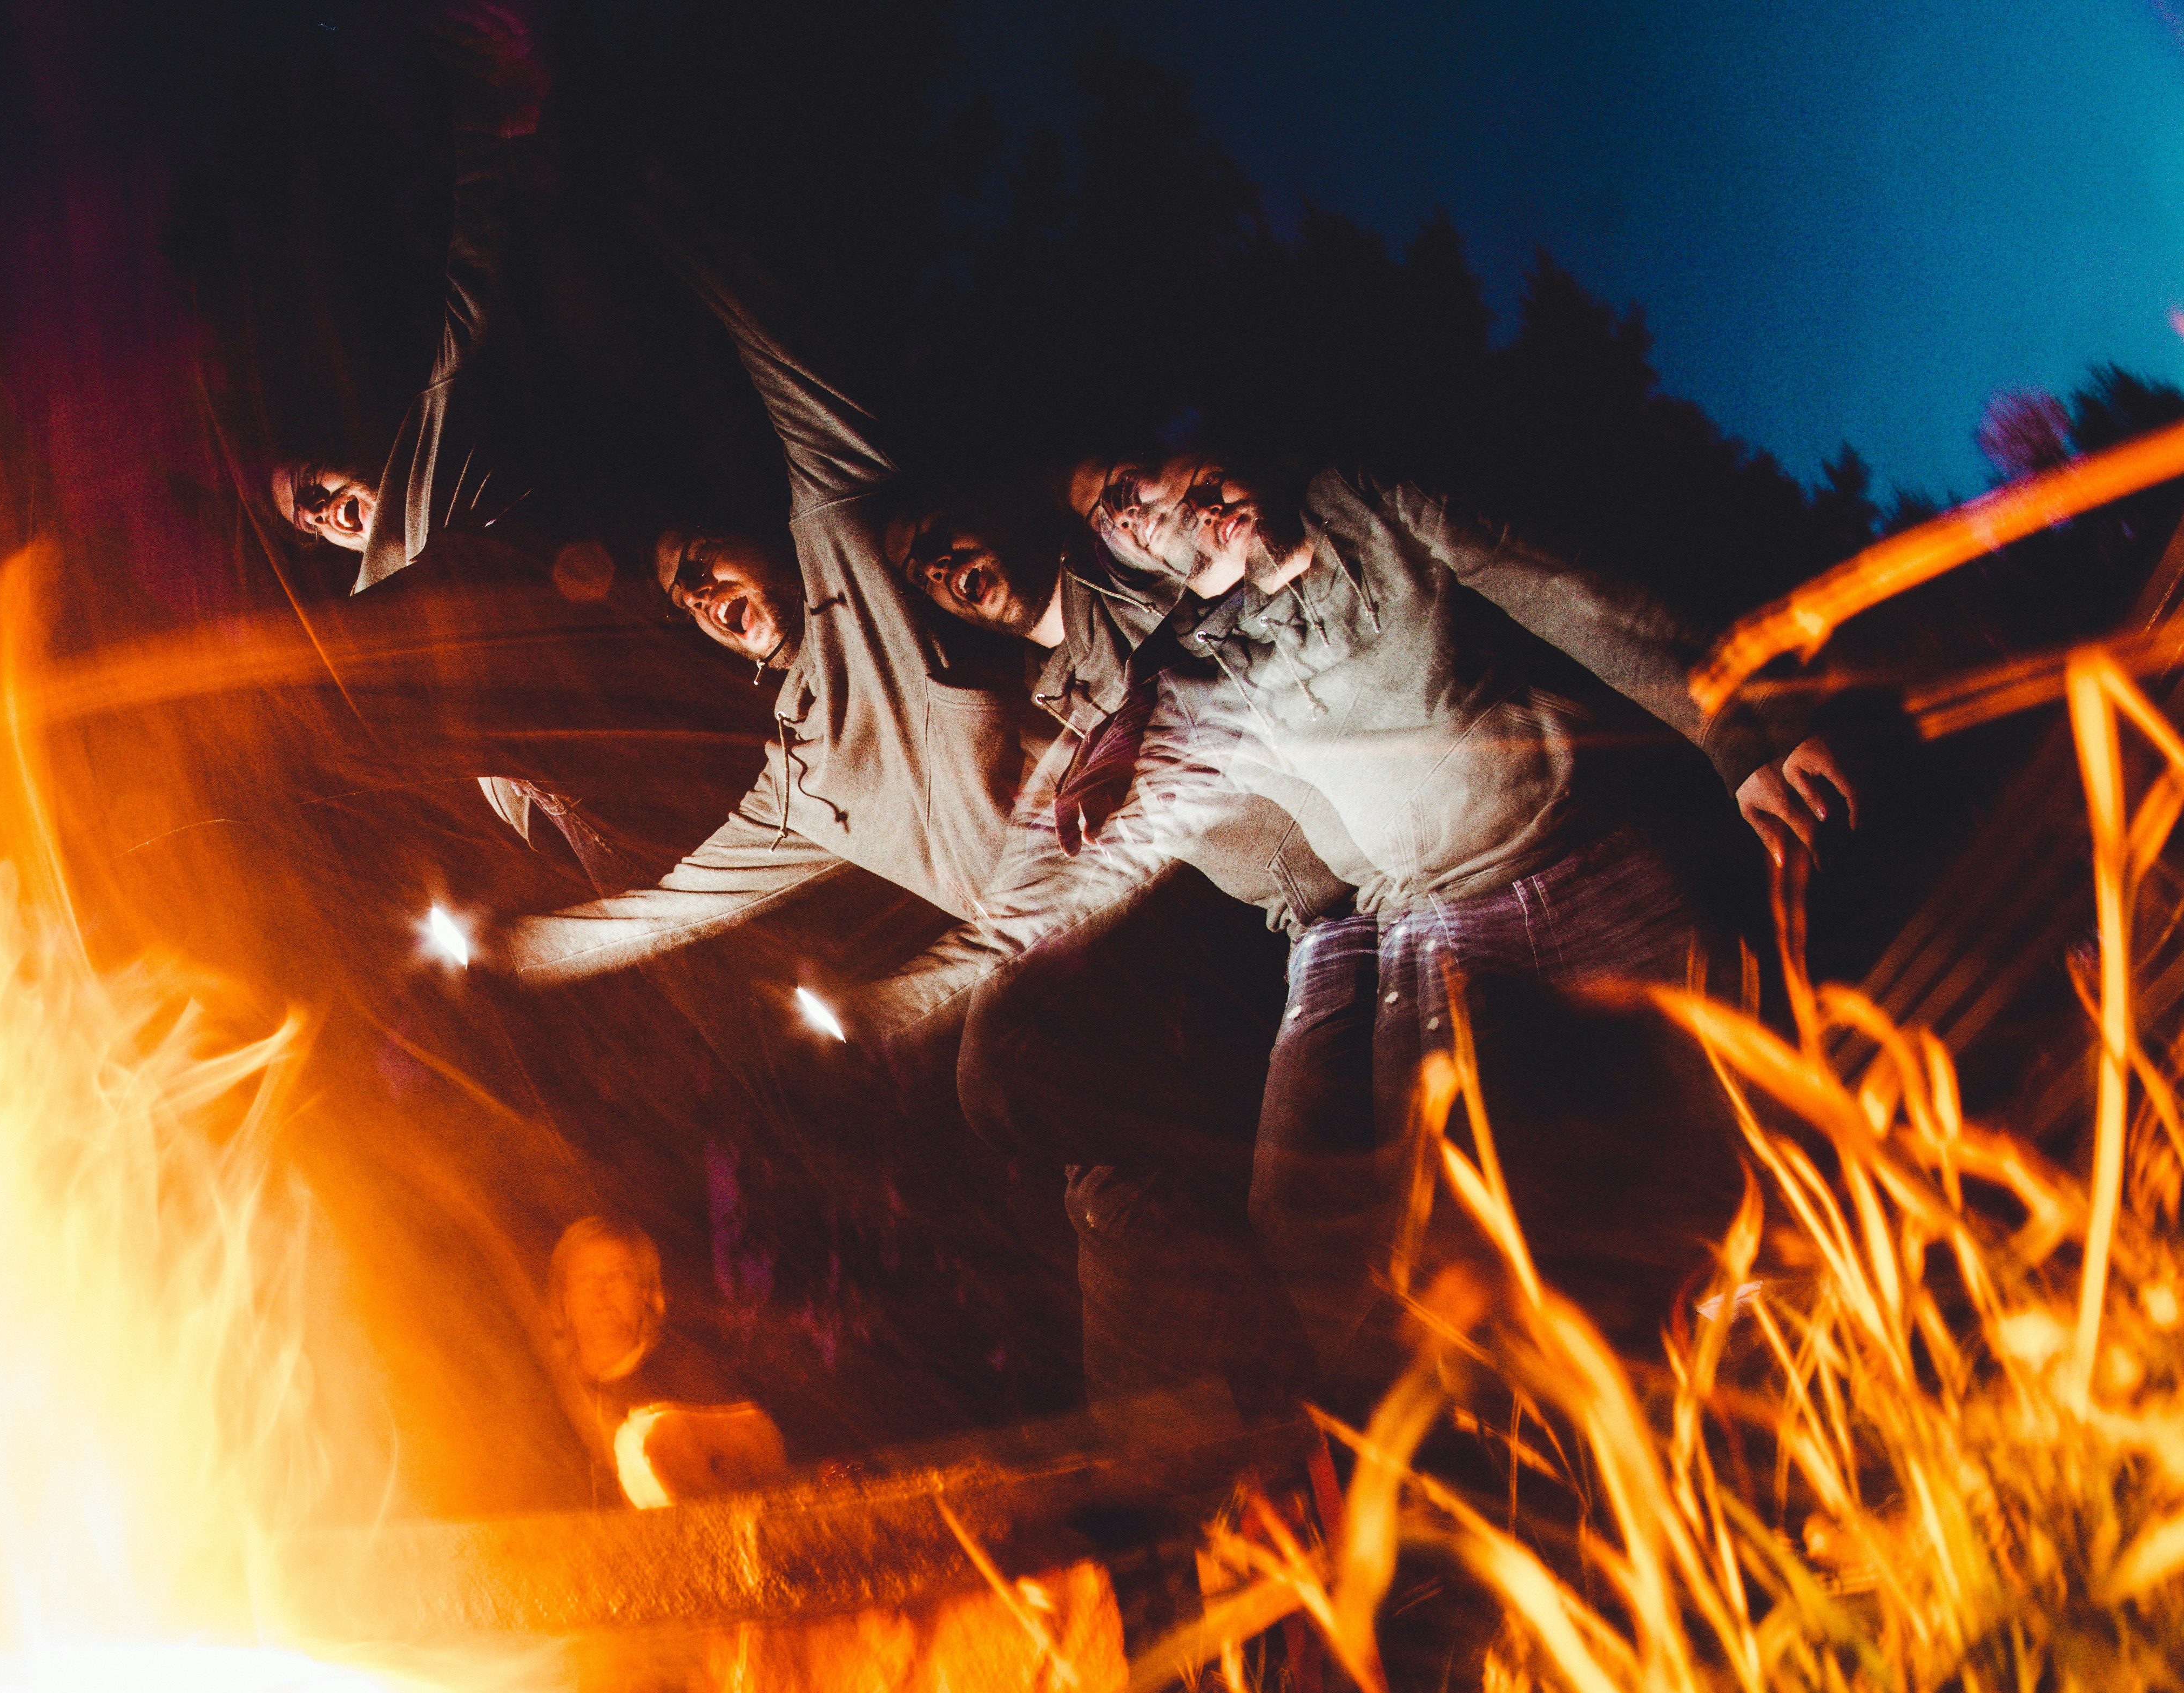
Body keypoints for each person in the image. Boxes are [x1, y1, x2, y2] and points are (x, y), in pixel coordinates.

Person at [1077, 449, 1858, 1403]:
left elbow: (1580, 596)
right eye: (1118, 514)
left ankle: (1832, 1343)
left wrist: (1745, 737)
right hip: (1440, 934)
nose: (1193, 507)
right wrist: (1107, 765)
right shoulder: (1192, 661)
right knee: (1447, 1214)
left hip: (1583, 857)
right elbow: (1132, 744)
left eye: (1173, 477)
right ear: (1138, 555)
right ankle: (1580, 1425)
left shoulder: (1369, 506)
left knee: (1755, 1115)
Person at [859, 477, 1354, 1447]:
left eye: (947, 535)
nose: (947, 569)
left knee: (1013, 1075)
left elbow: (1199, 633)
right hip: (1277, 929)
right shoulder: (1052, 693)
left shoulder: (1126, 587)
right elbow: (1053, 831)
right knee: (1000, 1083)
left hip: (1341, 893)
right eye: (926, 572)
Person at [488, 228, 1044, 986]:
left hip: (1141, 856)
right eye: (684, 602)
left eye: (700, 560)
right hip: (1050, 957)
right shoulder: (800, 778)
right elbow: (681, 905)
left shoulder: (846, 546)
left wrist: (665, 211)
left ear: (759, 530)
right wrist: (517, 955)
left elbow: (789, 370)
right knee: (984, 1076)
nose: (698, 597)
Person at [268, 4, 544, 593]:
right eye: (312, 526)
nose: (318, 513)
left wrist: (485, 106)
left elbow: (473, 266)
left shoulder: (444, 403)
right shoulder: (458, 578)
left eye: (312, 482)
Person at [543, 1216, 784, 1506]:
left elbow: (764, 1455)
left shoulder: (695, 1382)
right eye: (585, 1278)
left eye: (618, 1275)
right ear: (565, 1300)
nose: (601, 1292)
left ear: (645, 1293)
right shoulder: (543, 1394)